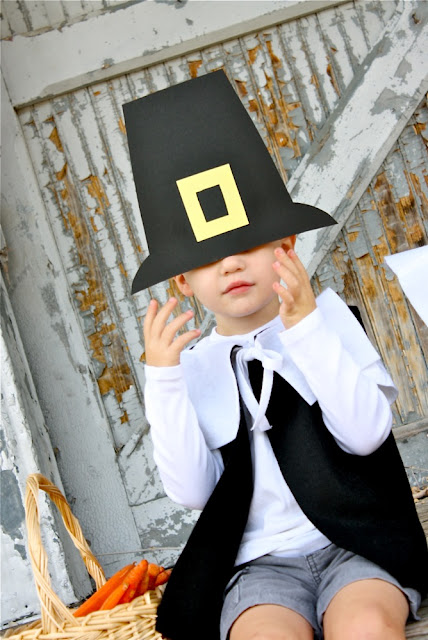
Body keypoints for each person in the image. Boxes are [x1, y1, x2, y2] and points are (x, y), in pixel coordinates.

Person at [142, 235, 427, 640]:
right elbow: (195, 492)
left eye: (246, 244)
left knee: (365, 627)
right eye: (207, 258)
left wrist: (307, 329)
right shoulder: (189, 369)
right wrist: (164, 381)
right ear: (183, 280)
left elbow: (366, 436)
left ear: (286, 245)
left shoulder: (326, 321)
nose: (230, 264)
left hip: (360, 543)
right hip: (261, 566)